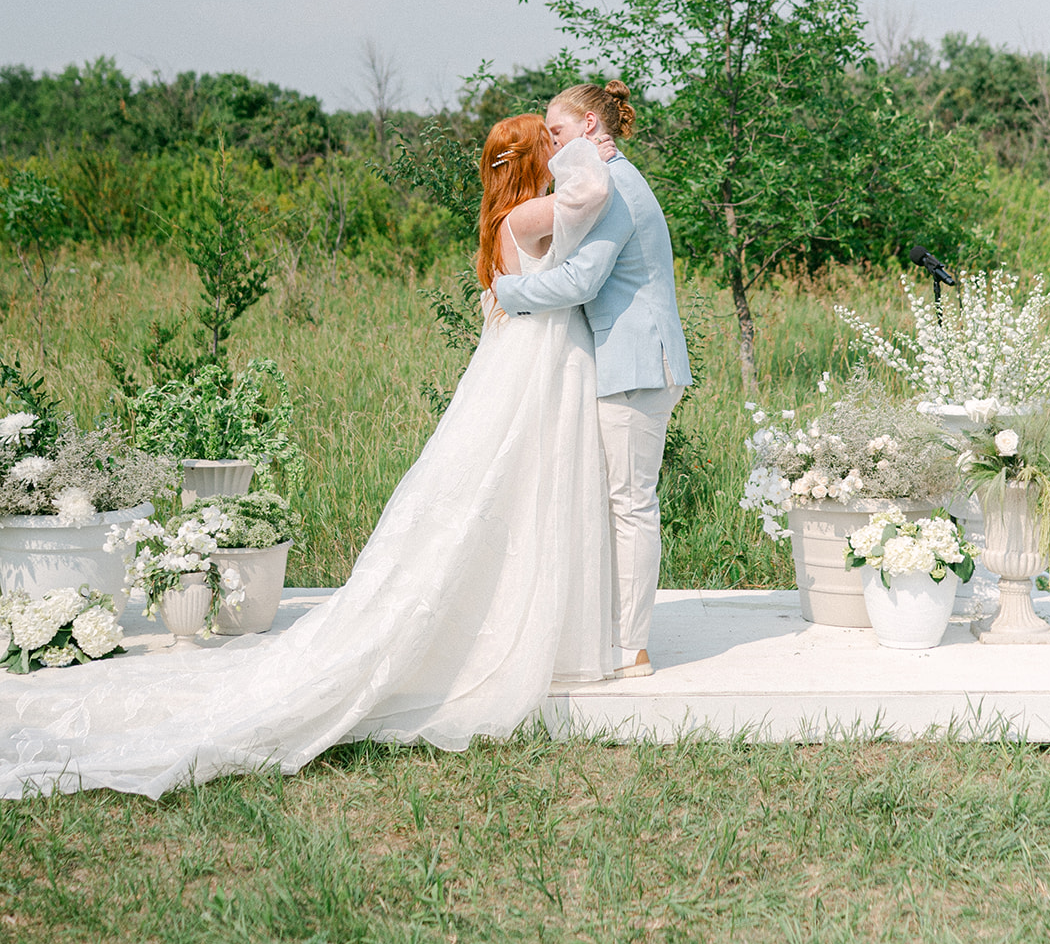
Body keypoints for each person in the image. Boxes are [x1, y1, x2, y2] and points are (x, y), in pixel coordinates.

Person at [0, 115, 614, 800]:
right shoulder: (530, 212)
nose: (562, 154)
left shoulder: (502, 215)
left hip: (523, 361)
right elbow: (589, 198)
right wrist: (596, 146)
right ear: (535, 158)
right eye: (550, 145)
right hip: (532, 365)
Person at [494, 82, 692, 677]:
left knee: (631, 505)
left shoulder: (617, 189)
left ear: (586, 128)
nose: (549, 149)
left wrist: (506, 292)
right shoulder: (611, 181)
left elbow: (582, 281)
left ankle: (631, 646)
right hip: (634, 362)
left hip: (636, 365)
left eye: (555, 134)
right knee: (621, 504)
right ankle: (616, 632)